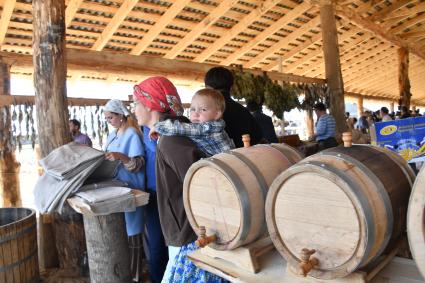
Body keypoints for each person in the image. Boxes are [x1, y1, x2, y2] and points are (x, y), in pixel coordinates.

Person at [132, 76, 226, 283]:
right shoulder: (170, 133)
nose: (133, 109)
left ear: (150, 105)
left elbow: (200, 184)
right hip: (188, 228)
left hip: (189, 232)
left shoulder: (171, 140)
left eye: (136, 103)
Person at [103, 99, 146, 282]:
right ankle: (123, 272)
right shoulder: (112, 135)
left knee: (133, 232)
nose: (108, 120)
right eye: (106, 118)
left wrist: (120, 156)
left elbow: (138, 165)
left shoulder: (132, 134)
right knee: (121, 232)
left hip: (132, 187)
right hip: (117, 187)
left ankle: (135, 275)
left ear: (121, 116)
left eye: (111, 117)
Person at [149, 88, 235, 156]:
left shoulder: (209, 127)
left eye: (203, 109)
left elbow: (182, 128)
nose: (195, 114)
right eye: (193, 109)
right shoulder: (210, 125)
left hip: (223, 167)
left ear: (217, 114)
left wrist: (158, 126)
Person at [204, 67, 263, 148]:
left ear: (208, 87)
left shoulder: (205, 112)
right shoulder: (243, 111)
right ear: (231, 86)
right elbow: (258, 138)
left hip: (219, 159)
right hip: (245, 157)